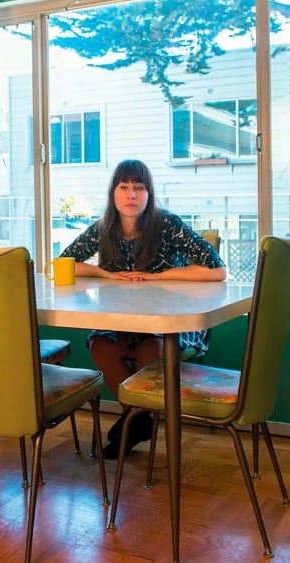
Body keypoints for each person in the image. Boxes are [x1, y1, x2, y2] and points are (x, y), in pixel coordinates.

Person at [59, 159, 226, 458]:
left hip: (173, 323)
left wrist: (156, 276)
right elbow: (61, 265)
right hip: (124, 322)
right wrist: (105, 274)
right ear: (113, 192)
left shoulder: (167, 224)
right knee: (100, 345)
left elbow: (216, 270)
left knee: (153, 348)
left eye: (139, 187)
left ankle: (134, 421)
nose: (131, 195)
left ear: (149, 194)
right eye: (124, 187)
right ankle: (139, 417)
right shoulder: (103, 229)